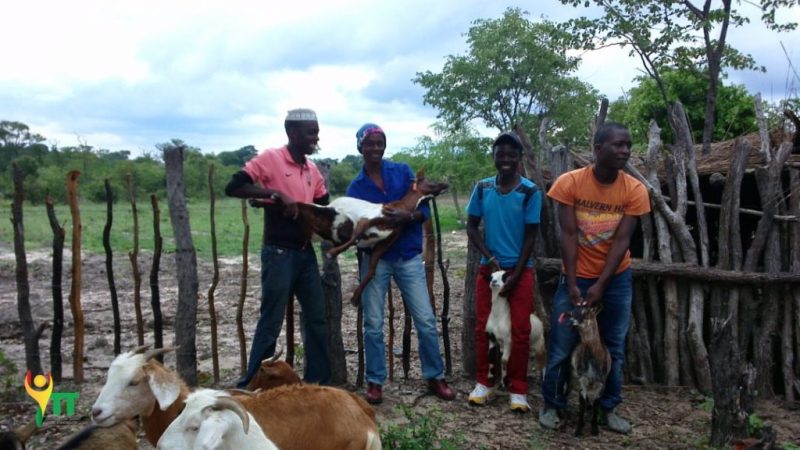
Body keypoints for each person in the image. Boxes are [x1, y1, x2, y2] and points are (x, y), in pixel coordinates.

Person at [539, 122, 650, 433]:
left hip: (616, 279)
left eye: (628, 145)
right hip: (575, 277)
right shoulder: (570, 183)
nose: (625, 150)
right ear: (598, 149)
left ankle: (607, 408)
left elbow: (622, 240)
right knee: (561, 344)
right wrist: (573, 282)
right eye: (618, 145)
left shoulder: (635, 190)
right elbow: (568, 234)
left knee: (613, 345)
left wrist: (601, 284)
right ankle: (553, 404)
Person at [346, 122, 455, 404]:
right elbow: (354, 224)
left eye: (379, 143)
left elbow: (423, 208)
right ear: (360, 147)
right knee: (373, 323)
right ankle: (375, 381)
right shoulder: (356, 186)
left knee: (426, 320)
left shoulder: (402, 172)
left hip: (407, 256)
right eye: (369, 144)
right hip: (376, 259)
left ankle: (435, 376)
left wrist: (408, 217)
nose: (375, 148)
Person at [225, 108, 331, 388]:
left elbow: (322, 203)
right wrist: (275, 195)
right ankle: (253, 385)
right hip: (279, 253)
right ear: (292, 133)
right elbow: (234, 186)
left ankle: (317, 384)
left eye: (317, 132)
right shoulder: (271, 159)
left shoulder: (311, 169)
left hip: (305, 252)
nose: (316, 137)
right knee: (271, 321)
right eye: (311, 132)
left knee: (317, 319)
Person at [465, 131, 542, 413]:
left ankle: (517, 388)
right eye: (501, 154)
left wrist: (517, 273)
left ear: (519, 158)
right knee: (484, 327)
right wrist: (489, 257)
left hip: (520, 268)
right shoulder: (483, 188)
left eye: (512, 154)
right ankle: (485, 382)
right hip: (491, 268)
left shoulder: (530, 191)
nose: (506, 158)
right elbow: (472, 226)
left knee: (520, 329)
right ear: (494, 157)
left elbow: (531, 236)